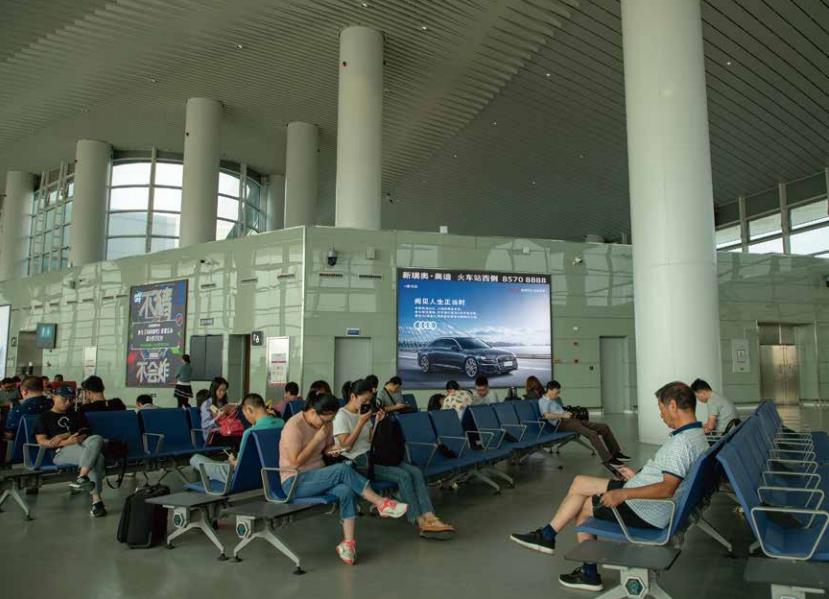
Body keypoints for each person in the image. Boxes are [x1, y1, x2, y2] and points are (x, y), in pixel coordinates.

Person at [511, 381, 708, 591]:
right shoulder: (696, 436)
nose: (661, 415)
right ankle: (547, 535)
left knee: (583, 508)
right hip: (647, 495)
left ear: (673, 406)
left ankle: (587, 572)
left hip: (647, 508)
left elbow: (666, 489)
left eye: (661, 409)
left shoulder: (680, 444)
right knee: (579, 482)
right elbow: (669, 479)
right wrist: (637, 476)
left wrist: (623, 494)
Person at [280, 392, 409, 565]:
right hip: (295, 482)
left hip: (319, 477)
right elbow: (295, 462)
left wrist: (334, 450)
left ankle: (348, 544)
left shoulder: (325, 424)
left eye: (330, 421)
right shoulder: (293, 427)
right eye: (325, 420)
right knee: (342, 470)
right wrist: (316, 439)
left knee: (346, 491)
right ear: (313, 412)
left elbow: (325, 449)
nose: (327, 424)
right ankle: (381, 503)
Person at [334, 380, 454, 538]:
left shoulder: (362, 413)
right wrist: (361, 422)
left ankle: (429, 515)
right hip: (360, 463)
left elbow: (369, 440)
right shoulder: (341, 416)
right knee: (403, 476)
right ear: (353, 396)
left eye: (369, 400)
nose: (367, 404)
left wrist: (377, 423)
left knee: (415, 472)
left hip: (374, 456)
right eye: (365, 400)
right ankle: (420, 521)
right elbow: (346, 447)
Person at [34, 385, 108, 517]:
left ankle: (82, 477)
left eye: (71, 399)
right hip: (61, 451)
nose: (68, 402)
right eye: (64, 399)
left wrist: (62, 435)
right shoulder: (44, 417)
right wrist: (66, 442)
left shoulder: (75, 414)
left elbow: (85, 431)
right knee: (98, 457)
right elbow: (42, 441)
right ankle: (96, 501)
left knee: (97, 438)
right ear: (54, 397)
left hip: (82, 444)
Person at [190, 393, 283, 483]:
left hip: (241, 477)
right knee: (224, 462)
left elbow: (239, 465)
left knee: (195, 458)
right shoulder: (281, 423)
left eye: (245, 415)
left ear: (249, 410)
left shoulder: (250, 433)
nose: (246, 418)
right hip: (268, 474)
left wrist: (232, 461)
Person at [539, 381, 629, 468]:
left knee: (604, 427)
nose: (558, 395)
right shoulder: (543, 401)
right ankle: (607, 459)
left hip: (571, 421)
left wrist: (566, 413)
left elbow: (558, 411)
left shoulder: (553, 400)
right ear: (549, 390)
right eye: (556, 392)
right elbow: (546, 415)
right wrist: (563, 415)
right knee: (592, 434)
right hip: (561, 424)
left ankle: (616, 453)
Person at [199, 376, 240, 450]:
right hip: (212, 435)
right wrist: (217, 417)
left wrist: (231, 412)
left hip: (225, 431)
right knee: (237, 440)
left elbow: (227, 420)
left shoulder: (223, 403)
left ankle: (236, 456)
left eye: (224, 390)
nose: (222, 393)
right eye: (220, 390)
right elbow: (205, 425)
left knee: (241, 436)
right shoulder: (207, 404)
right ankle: (236, 456)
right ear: (214, 390)